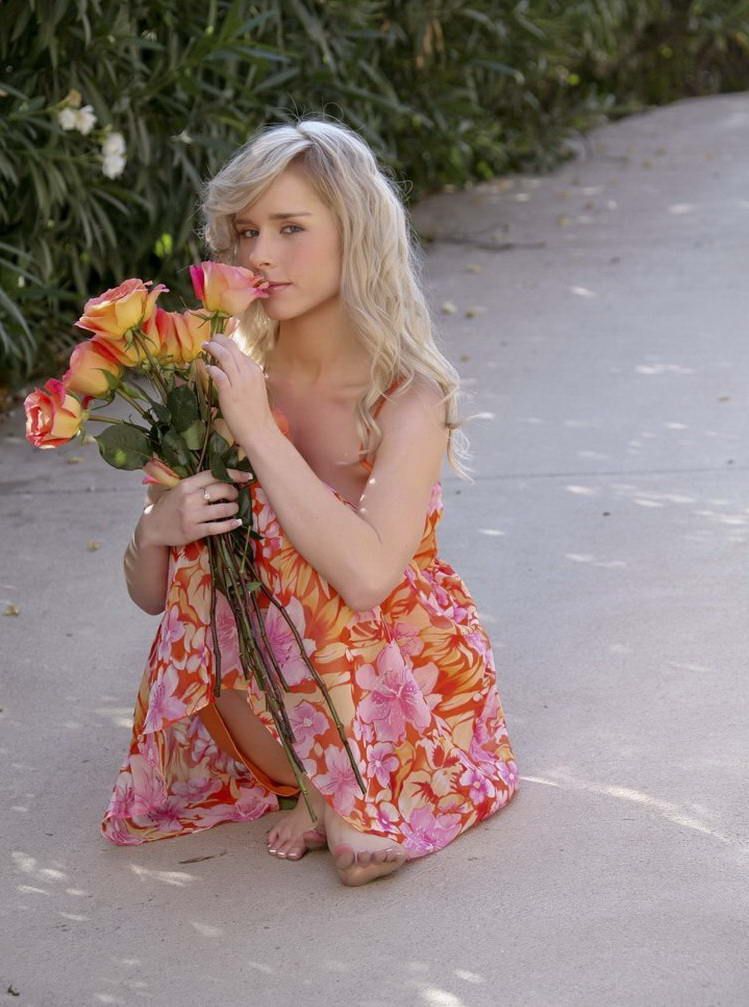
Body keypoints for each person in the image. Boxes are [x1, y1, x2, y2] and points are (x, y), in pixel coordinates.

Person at [102, 117, 519, 886]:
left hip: (405, 688)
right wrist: (157, 527)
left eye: (291, 228)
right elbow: (156, 597)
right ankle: (325, 789)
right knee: (216, 533)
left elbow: (365, 577)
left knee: (283, 524)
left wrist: (259, 432)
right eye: (246, 230)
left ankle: (345, 794)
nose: (260, 254)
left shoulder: (407, 394)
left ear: (355, 235)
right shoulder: (221, 375)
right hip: (269, 707)